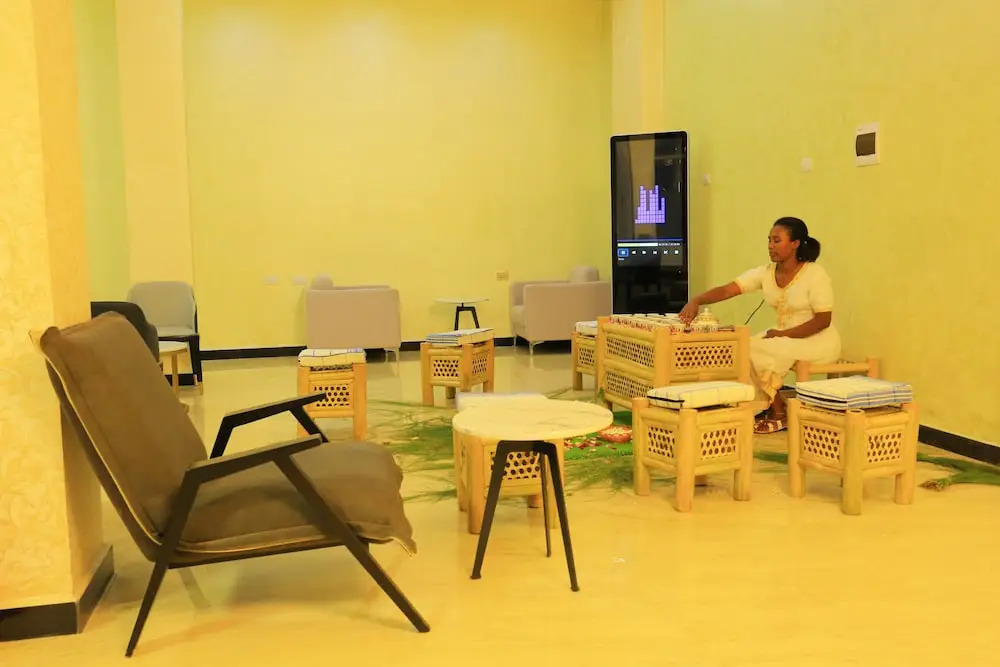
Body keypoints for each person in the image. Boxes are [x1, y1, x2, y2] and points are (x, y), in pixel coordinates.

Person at [679, 217, 841, 433]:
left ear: (795, 244)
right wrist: (696, 300)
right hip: (783, 337)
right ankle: (767, 406)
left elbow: (823, 320)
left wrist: (783, 335)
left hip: (818, 341)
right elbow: (727, 290)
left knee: (758, 350)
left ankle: (779, 412)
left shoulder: (815, 273)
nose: (770, 246)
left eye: (777, 240)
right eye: (769, 240)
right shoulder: (765, 273)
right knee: (741, 347)